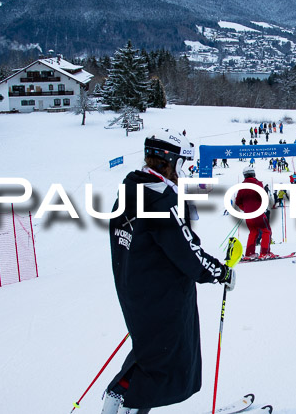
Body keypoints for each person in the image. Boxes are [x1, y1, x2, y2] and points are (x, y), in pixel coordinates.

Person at [103, 130, 235, 414]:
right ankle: (127, 400)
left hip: (136, 289)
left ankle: (119, 397)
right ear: (170, 162)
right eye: (184, 164)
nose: (185, 171)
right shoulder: (161, 199)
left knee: (151, 352)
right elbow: (187, 250)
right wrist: (221, 272)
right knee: (170, 365)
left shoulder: (131, 188)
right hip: (163, 295)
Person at [235, 167, 273, 259]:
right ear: (253, 174)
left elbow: (238, 202)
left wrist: (246, 209)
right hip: (258, 212)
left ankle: (249, 253)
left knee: (253, 232)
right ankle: (265, 252)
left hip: (248, 214)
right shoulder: (257, 184)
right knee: (266, 231)